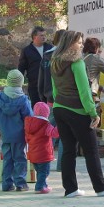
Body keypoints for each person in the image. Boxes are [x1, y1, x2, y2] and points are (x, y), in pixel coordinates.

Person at [50, 30, 104, 197]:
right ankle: (101, 187)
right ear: (69, 44)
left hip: (60, 107)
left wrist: (58, 103)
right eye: (79, 42)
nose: (82, 45)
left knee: (68, 149)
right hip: (77, 110)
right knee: (91, 150)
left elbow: (54, 89)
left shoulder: (54, 61)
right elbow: (84, 92)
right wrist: (93, 113)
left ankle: (71, 189)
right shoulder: (77, 63)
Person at [0, 69, 33, 191]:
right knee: (20, 159)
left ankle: (6, 184)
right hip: (20, 136)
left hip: (5, 134)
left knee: (7, 159)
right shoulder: (23, 100)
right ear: (21, 83)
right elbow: (29, 118)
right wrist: (31, 132)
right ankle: (20, 183)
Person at [38, 29, 66, 171]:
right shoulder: (66, 58)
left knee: (47, 133)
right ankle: (62, 165)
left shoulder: (46, 56)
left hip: (50, 100)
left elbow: (41, 80)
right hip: (65, 100)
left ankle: (42, 162)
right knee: (65, 134)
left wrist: (43, 97)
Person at [24, 101, 60, 194]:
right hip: (44, 154)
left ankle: (44, 185)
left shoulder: (28, 124)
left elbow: (26, 138)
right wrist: (59, 126)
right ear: (47, 113)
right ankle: (39, 187)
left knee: (40, 172)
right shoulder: (46, 125)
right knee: (44, 172)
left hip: (33, 154)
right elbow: (54, 134)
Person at [18, 26, 52, 106]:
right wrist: (19, 83)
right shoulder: (27, 50)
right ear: (34, 37)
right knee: (36, 107)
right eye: (41, 35)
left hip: (48, 84)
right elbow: (21, 67)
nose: (44, 37)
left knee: (48, 108)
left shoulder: (50, 48)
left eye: (44, 35)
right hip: (34, 84)